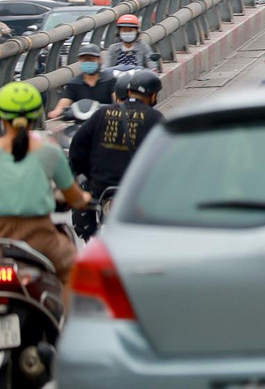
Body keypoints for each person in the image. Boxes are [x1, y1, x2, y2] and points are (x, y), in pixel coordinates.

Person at [0, 82, 90, 286]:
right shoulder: (49, 151)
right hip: (39, 237)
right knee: (72, 272)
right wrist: (84, 198)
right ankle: (69, 318)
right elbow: (74, 197)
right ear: (37, 115)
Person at [67, 69, 164, 240]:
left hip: (101, 188)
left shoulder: (101, 114)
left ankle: (89, 241)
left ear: (127, 92)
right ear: (153, 96)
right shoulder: (155, 118)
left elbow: (77, 148)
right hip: (137, 190)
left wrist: (88, 175)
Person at [48, 42, 116, 120]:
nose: (88, 63)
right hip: (81, 121)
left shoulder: (109, 80)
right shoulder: (74, 83)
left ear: (99, 59)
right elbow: (66, 99)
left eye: (91, 60)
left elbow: (117, 100)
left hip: (104, 119)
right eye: (85, 60)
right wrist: (57, 111)